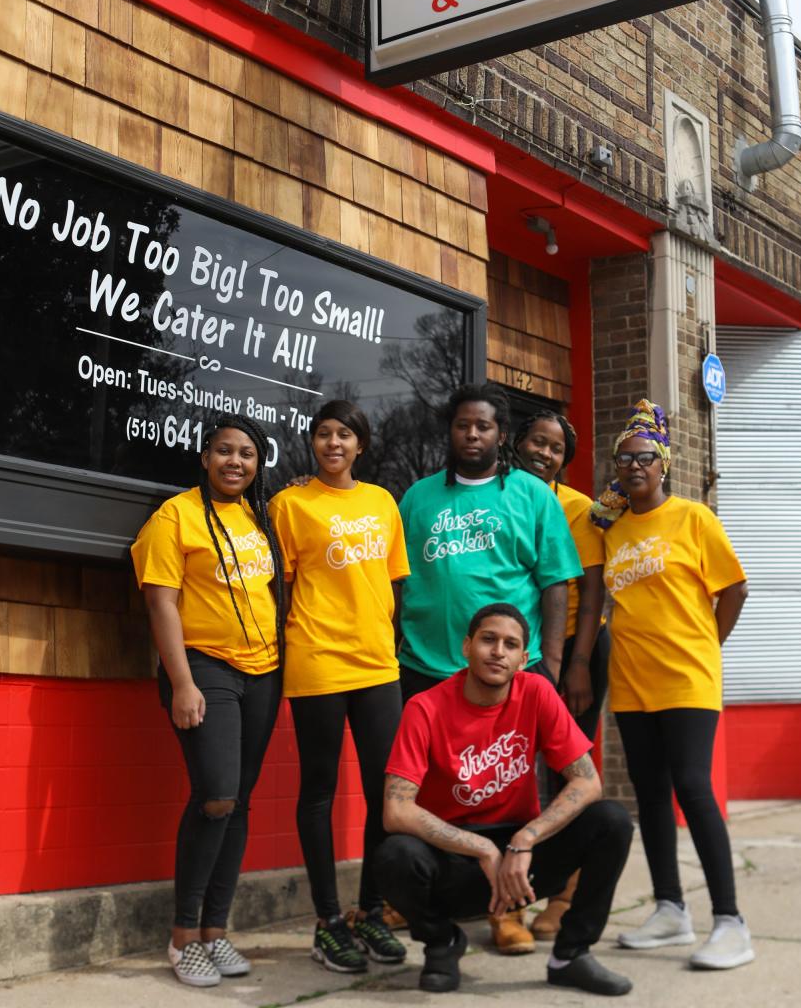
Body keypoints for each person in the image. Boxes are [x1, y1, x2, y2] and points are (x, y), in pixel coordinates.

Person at [397, 383, 582, 954]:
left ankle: (508, 911)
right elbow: (395, 580)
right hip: (424, 664)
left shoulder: (533, 496)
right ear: (449, 432)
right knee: (429, 795)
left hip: (507, 673)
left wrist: (547, 665)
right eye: (462, 426)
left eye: (483, 426)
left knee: (504, 789)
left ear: (501, 435)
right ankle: (423, 901)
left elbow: (555, 582)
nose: (472, 435)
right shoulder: (417, 499)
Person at [376, 602, 634, 998]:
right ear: (466, 647)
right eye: (488, 639)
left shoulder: (536, 692)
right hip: (455, 859)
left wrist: (525, 839)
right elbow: (396, 810)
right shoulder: (425, 707)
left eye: (510, 644)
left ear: (522, 658)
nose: (498, 651)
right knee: (394, 854)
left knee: (612, 821)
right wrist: (482, 849)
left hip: (521, 859)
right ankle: (442, 943)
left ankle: (571, 955)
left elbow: (587, 782)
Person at [591, 399, 752, 971]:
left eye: (645, 458)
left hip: (687, 677)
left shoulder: (693, 518)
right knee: (650, 794)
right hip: (632, 680)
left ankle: (731, 921)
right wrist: (601, 510)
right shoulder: (610, 531)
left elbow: (734, 589)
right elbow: (599, 575)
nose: (634, 467)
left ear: (664, 465)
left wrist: (708, 644)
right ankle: (669, 908)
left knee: (692, 787)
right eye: (624, 459)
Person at [131, 414, 284, 989]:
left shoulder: (257, 517)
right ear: (204, 457)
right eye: (224, 451)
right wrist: (182, 682)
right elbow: (160, 602)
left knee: (240, 799)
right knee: (217, 796)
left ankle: (217, 932)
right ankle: (183, 936)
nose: (235, 462)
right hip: (203, 667)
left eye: (247, 454)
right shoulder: (177, 516)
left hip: (264, 670)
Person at [269, 400, 409, 973]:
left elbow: (394, 583)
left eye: (344, 434)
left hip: (377, 665)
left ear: (361, 445)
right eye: (323, 434)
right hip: (318, 660)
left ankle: (371, 911)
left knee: (386, 792)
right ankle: (328, 922)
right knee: (319, 790)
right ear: (313, 443)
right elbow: (278, 589)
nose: (333, 443)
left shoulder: (381, 502)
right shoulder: (290, 503)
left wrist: (387, 641)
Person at [513, 409, 608, 942]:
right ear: (517, 442)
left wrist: (575, 665)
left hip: (577, 646)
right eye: (536, 441)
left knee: (567, 772)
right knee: (517, 772)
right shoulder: (501, 496)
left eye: (555, 449)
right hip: (521, 651)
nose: (544, 453)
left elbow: (591, 590)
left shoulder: (579, 509)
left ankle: (566, 895)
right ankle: (513, 891)